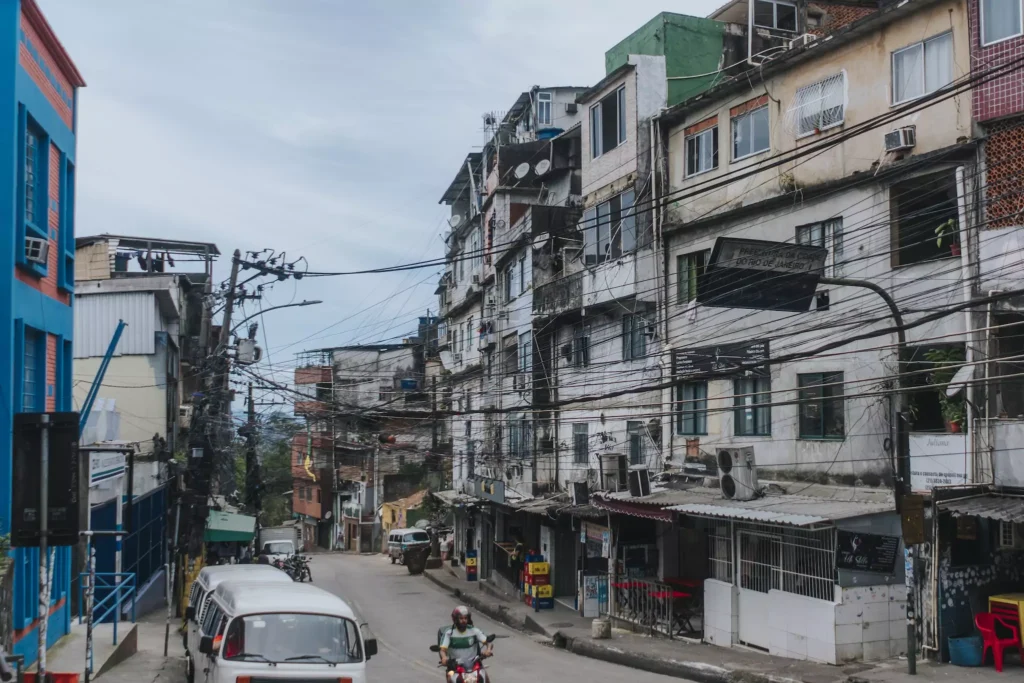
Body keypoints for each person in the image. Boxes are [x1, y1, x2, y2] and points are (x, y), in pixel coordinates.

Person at [439, 606, 491, 671]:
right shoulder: (449, 633)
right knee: (451, 678)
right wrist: (444, 658)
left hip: (473, 665)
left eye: (465, 618)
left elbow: (488, 642)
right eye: (461, 618)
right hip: (455, 667)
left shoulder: (474, 630)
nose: (464, 621)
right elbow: (442, 650)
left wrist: (488, 650)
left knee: (484, 677)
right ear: (455, 619)